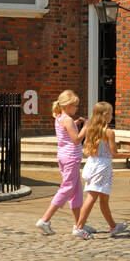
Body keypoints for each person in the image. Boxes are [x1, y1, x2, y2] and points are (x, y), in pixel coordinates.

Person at [35, 90, 87, 236]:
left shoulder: (59, 118)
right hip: (71, 158)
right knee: (67, 188)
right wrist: (86, 127)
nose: (77, 109)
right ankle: (45, 219)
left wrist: (77, 123)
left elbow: (67, 129)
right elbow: (76, 139)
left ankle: (79, 224)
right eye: (75, 106)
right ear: (69, 105)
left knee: (76, 191)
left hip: (64, 157)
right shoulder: (68, 120)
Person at [74, 101, 128, 238]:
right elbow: (114, 153)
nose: (112, 115)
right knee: (92, 197)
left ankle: (113, 226)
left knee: (104, 198)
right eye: (110, 113)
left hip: (92, 164)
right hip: (102, 166)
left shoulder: (90, 129)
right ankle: (79, 227)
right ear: (105, 115)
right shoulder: (109, 132)